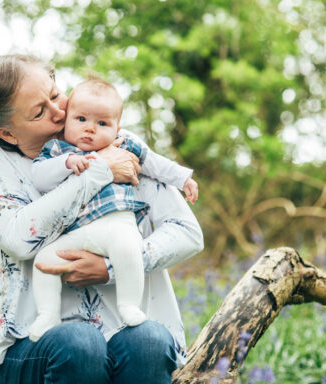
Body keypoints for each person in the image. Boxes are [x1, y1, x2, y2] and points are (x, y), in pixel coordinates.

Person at [0, 54, 204, 384]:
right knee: (80, 344)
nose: (59, 111)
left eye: (55, 94)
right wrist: (98, 172)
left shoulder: (117, 141)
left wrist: (111, 269)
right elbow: (21, 238)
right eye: (39, 112)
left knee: (150, 341)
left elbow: (187, 233)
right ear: (7, 133)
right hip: (32, 345)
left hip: (126, 334)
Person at [28, 78, 199, 341]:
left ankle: (128, 305)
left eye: (102, 124)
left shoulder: (124, 144)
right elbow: (38, 177)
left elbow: (155, 163)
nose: (89, 129)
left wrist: (183, 178)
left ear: (117, 127)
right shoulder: (57, 149)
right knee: (45, 260)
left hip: (118, 226)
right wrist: (66, 163)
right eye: (81, 119)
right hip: (80, 234)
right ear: (67, 120)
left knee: (128, 250)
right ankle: (47, 315)